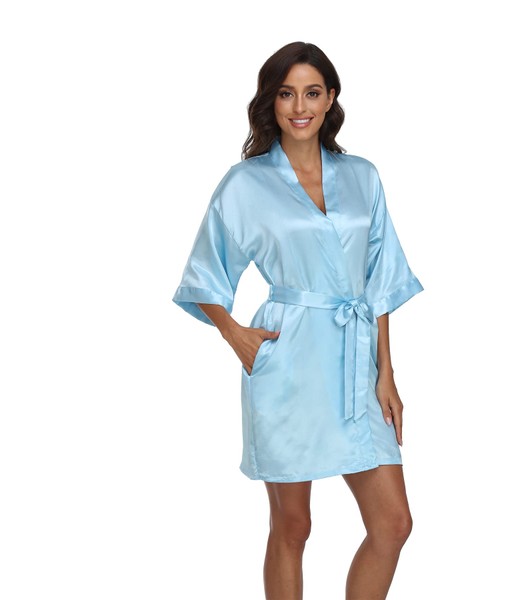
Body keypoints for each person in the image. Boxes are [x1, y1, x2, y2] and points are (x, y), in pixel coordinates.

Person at [172, 41, 424, 600]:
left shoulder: (362, 177)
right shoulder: (246, 183)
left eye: (312, 93)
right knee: (294, 524)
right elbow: (204, 271)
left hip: (356, 364)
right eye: (286, 94)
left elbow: (380, 280)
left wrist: (386, 373)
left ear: (331, 98)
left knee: (393, 524)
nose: (299, 106)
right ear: (272, 101)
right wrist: (235, 335)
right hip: (288, 360)